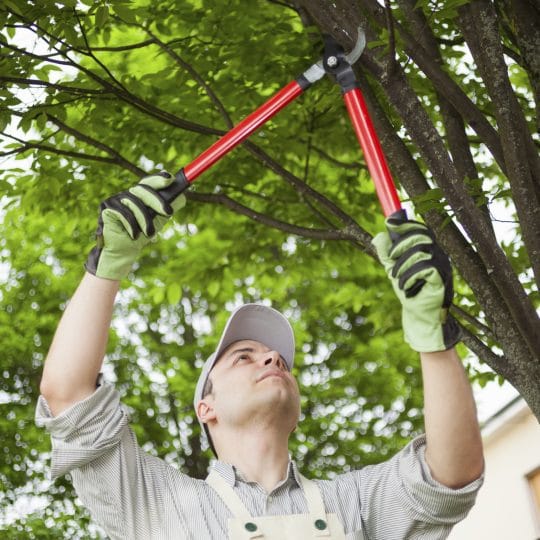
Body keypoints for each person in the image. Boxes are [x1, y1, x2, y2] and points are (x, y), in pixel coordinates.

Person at [36, 172, 484, 540]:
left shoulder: (354, 502)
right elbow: (68, 396)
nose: (271, 360)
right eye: (244, 357)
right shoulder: (158, 504)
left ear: (298, 411)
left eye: (280, 362)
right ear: (204, 407)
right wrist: (108, 264)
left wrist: (433, 336)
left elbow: (451, 475)